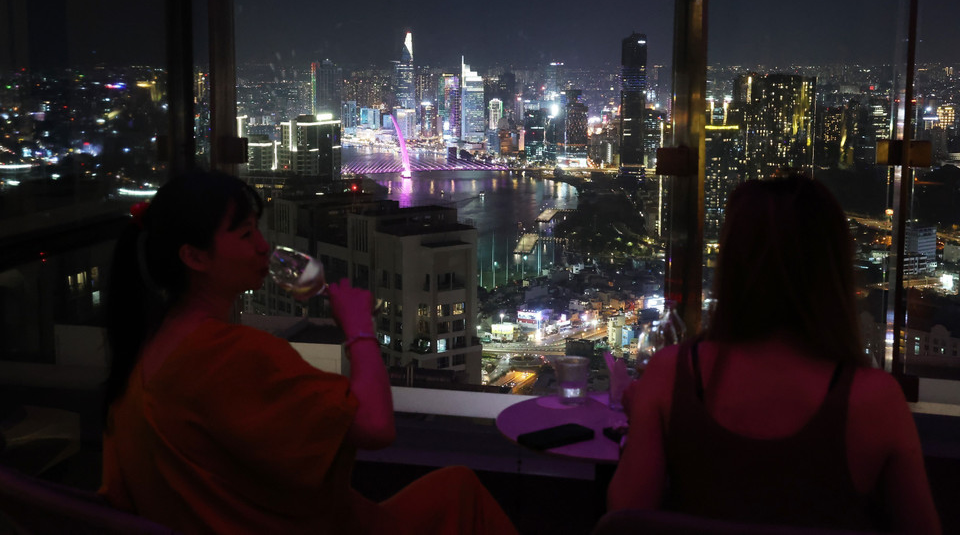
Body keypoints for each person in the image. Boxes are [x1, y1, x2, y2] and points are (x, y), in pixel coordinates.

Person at [99, 169, 517, 535]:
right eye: (245, 234)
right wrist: (359, 329)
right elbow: (375, 427)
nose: (263, 246)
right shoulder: (229, 355)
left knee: (452, 489)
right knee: (461, 493)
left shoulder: (147, 352)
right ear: (194, 257)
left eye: (257, 230)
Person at [607, 174, 941, 534]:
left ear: (731, 264)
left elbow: (624, 517)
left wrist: (641, 422)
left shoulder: (672, 374)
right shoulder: (875, 399)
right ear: (834, 269)